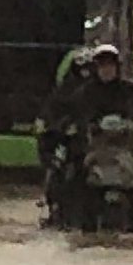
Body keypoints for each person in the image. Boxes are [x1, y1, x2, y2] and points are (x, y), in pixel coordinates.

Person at [75, 44, 133, 231]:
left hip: (126, 155)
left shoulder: (132, 93)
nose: (107, 69)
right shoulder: (84, 93)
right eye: (102, 65)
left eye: (110, 65)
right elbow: (74, 119)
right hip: (94, 154)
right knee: (78, 176)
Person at [40, 48, 96, 228]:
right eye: (81, 69)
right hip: (70, 146)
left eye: (89, 69)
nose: (85, 74)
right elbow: (49, 120)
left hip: (100, 147)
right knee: (58, 168)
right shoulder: (62, 95)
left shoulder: (109, 92)